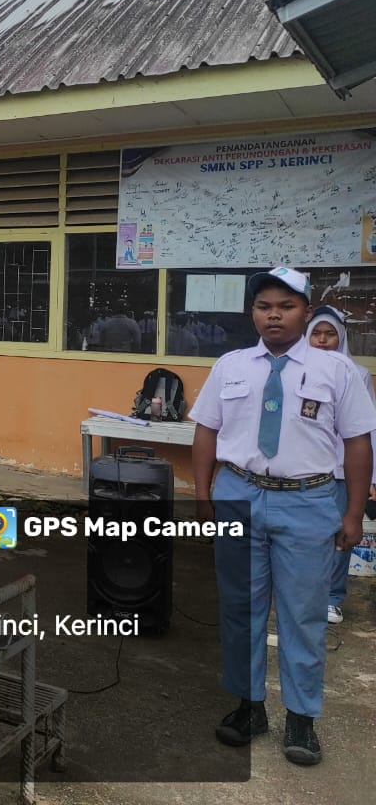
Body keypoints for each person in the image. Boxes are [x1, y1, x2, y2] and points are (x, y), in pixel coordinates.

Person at [191, 267, 375, 767]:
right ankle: (249, 707)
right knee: (239, 609)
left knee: (304, 612)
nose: (273, 314)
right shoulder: (229, 365)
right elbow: (206, 432)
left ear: (307, 312)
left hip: (309, 499)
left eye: (286, 306)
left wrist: (354, 512)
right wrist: (203, 497)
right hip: (238, 493)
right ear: (253, 313)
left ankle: (301, 718)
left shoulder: (338, 372)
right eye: (264, 306)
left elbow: (358, 444)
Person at [305, 304, 376, 625]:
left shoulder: (357, 374)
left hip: (341, 473)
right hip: (305, 471)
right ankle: (306, 594)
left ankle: (333, 598)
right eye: (316, 333)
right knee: (306, 536)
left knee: (341, 536)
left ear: (341, 337)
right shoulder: (297, 370)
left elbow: (367, 432)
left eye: (329, 334)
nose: (322, 340)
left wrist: (371, 477)